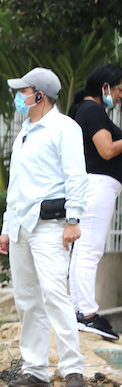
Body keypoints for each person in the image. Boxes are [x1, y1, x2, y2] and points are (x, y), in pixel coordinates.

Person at [0, 67, 89, 387]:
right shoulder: (24, 133)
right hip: (22, 227)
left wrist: (73, 221)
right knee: (27, 300)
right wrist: (7, 228)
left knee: (55, 295)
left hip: (51, 225)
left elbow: (76, 176)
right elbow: (16, 187)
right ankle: (35, 369)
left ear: (39, 94)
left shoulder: (64, 128)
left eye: (23, 91)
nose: (19, 97)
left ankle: (73, 369)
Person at [68, 63, 122, 341]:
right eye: (119, 90)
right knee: (90, 250)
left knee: (83, 250)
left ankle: (78, 309)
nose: (121, 96)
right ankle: (87, 314)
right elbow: (107, 149)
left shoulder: (85, 110)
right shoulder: (93, 111)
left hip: (94, 186)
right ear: (105, 88)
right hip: (97, 186)